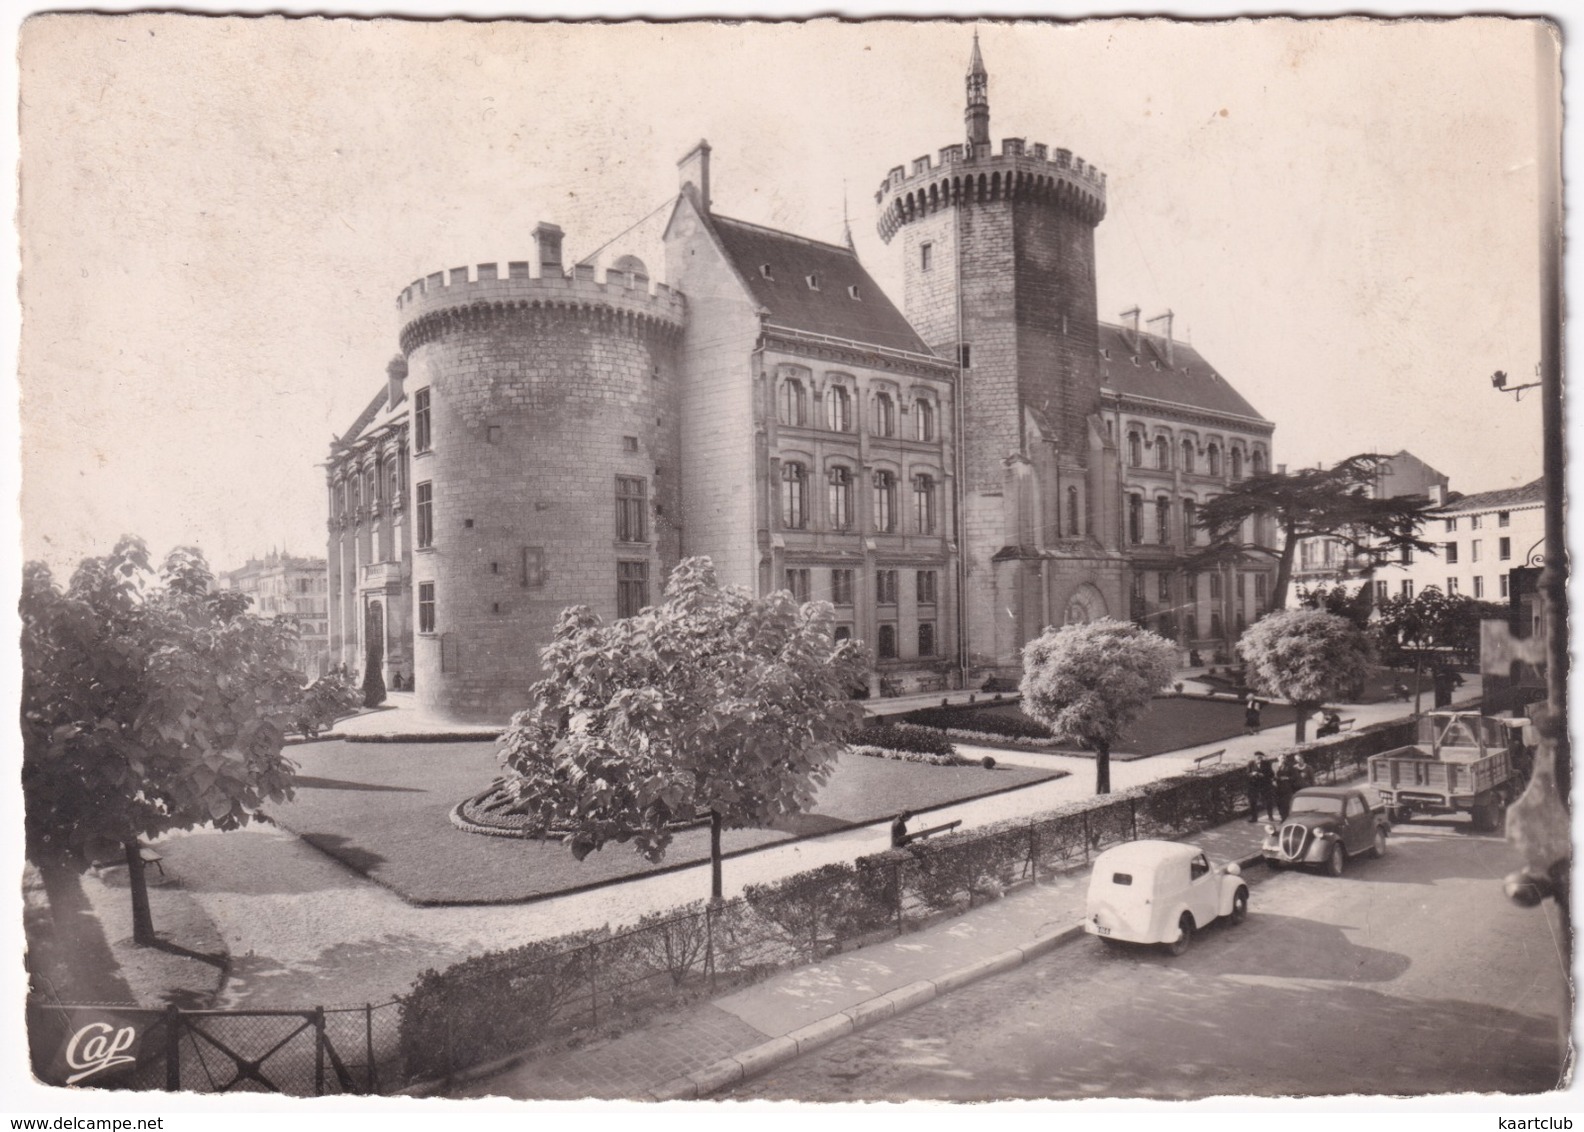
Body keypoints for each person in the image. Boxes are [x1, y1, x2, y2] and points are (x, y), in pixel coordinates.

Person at [1274, 753, 1301, 819]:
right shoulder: (1273, 765)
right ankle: (1282, 816)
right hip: (1276, 788)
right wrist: (1273, 780)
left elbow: (1295, 777)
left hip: (1286, 788)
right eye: (1282, 758)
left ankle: (1285, 818)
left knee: (1286, 804)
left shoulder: (1290, 766)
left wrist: (1287, 778)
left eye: (1284, 758)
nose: (1283, 759)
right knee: (1278, 803)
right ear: (1278, 758)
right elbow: (1270, 774)